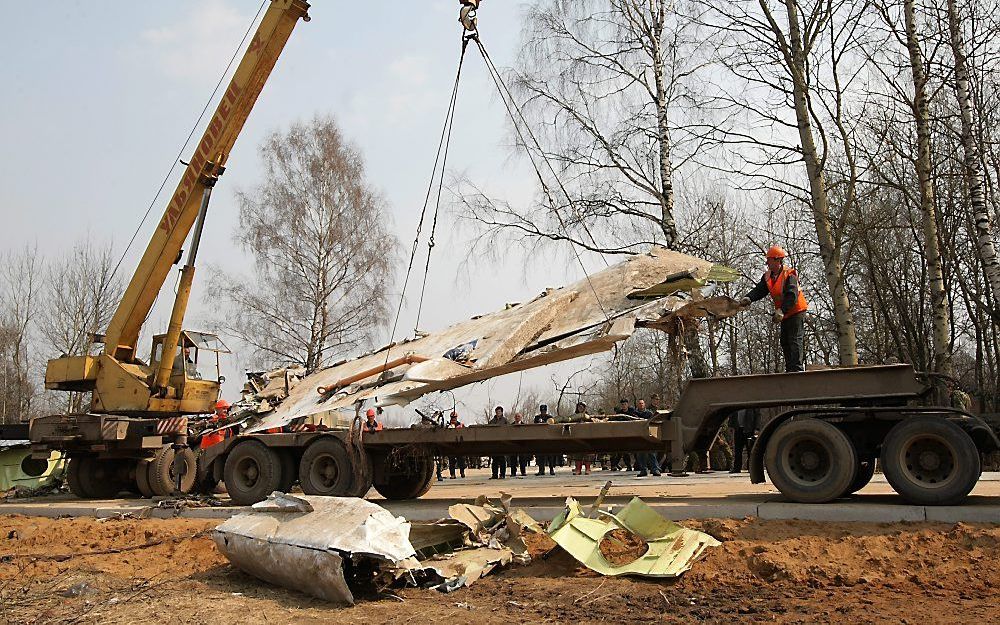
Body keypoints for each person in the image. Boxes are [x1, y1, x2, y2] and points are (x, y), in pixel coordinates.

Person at [740, 245, 809, 372]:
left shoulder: (789, 275)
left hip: (796, 310)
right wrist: (749, 298)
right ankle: (790, 369)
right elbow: (760, 290)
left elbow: (792, 295)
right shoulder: (768, 276)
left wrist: (782, 310)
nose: (767, 262)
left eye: (770, 259)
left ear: (778, 260)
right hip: (783, 313)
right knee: (785, 341)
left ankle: (798, 369)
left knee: (794, 339)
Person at [559, 402, 594, 475]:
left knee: (588, 454)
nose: (580, 408)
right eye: (579, 407)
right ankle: (578, 469)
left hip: (587, 437)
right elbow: (568, 422)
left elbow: (593, 424)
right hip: (577, 437)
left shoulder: (588, 416)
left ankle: (588, 469)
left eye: (582, 407)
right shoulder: (573, 416)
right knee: (577, 454)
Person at [634, 400, 662, 478]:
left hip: (648, 435)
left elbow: (654, 422)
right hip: (639, 435)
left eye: (642, 403)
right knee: (640, 454)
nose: (641, 405)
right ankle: (643, 470)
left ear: (644, 404)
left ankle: (655, 469)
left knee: (651, 453)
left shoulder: (649, 413)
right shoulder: (634, 414)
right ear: (637, 405)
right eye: (639, 404)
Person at [728, 407, 760, 473]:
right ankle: (736, 468)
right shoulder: (737, 404)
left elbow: (757, 416)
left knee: (750, 450)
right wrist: (730, 425)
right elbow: (732, 415)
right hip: (738, 429)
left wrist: (757, 428)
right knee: (738, 450)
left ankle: (751, 468)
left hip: (749, 430)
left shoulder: (752, 405)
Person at [534, 404, 556, 476]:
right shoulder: (537, 417)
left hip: (548, 438)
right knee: (540, 456)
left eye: (544, 410)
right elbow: (535, 427)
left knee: (550, 456)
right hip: (540, 438)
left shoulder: (550, 417)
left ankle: (551, 469)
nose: (543, 412)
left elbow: (552, 427)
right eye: (542, 410)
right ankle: (541, 470)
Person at [489, 406, 508, 479]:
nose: (498, 413)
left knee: (502, 459)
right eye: (497, 412)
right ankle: (494, 474)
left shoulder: (505, 421)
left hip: (502, 442)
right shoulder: (492, 421)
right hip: (494, 443)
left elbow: (508, 430)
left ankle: (502, 474)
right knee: (495, 460)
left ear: (502, 412)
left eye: (499, 412)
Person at [447, 411, 467, 478]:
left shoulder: (460, 425)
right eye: (452, 417)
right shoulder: (448, 425)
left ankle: (462, 472)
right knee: (451, 461)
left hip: (459, 445)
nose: (453, 419)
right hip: (451, 446)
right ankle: (452, 474)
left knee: (461, 460)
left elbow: (465, 432)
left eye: (454, 417)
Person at [508, 412, 528, 477]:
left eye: (518, 416)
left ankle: (523, 472)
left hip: (522, 444)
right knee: (513, 459)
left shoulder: (524, 425)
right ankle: (513, 472)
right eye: (516, 416)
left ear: (521, 417)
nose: (517, 418)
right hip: (513, 444)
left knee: (522, 459)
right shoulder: (511, 425)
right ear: (514, 418)